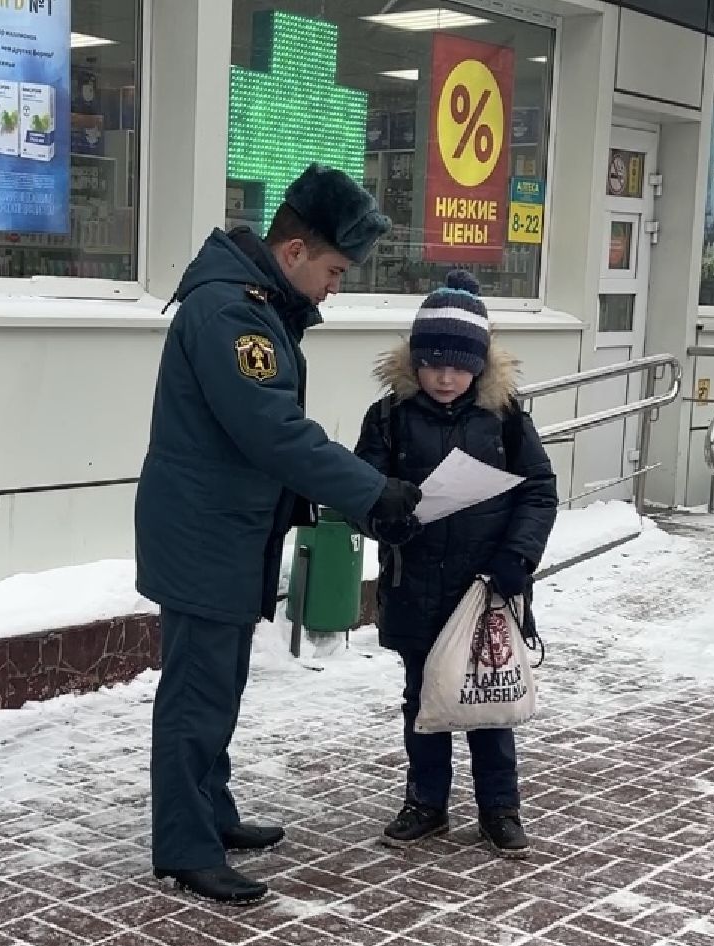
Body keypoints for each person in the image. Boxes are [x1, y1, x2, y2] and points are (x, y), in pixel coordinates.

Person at [135, 164, 423, 906]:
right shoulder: (231, 313)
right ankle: (186, 847)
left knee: (218, 684)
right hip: (204, 535)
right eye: (334, 271)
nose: (334, 288)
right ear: (293, 252)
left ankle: (211, 812)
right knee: (196, 693)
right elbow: (273, 431)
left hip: (226, 531)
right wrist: (370, 492)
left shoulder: (254, 303)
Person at [354, 270, 558, 858]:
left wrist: (517, 557)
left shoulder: (506, 418)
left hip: (487, 585)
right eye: (433, 364)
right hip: (415, 583)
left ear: (480, 365)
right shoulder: (388, 418)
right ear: (414, 361)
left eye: (460, 365)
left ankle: (500, 809)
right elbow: (361, 490)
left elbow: (538, 490)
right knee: (424, 701)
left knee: (490, 702)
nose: (445, 377)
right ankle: (426, 802)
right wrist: (385, 520)